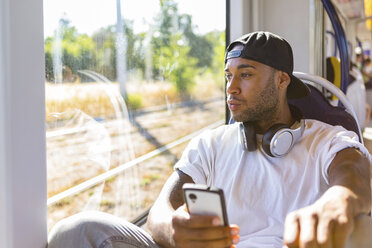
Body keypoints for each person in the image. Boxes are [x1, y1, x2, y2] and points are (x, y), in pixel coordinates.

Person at [48, 31, 372, 248]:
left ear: (283, 80)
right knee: (75, 230)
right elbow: (160, 210)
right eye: (228, 76)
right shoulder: (210, 144)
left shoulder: (325, 140)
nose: (231, 88)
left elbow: (354, 174)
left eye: (245, 75)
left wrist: (338, 199)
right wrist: (174, 232)